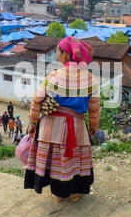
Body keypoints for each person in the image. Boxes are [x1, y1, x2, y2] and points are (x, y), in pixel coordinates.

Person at [25, 36, 100, 203]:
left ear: (65, 54)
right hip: (77, 126)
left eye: (58, 52)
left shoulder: (53, 76)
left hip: (51, 127)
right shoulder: (89, 78)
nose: (57, 55)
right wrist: (94, 125)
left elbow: (37, 100)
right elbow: (94, 106)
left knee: (56, 160)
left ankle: (58, 194)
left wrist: (33, 122)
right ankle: (74, 193)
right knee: (73, 160)